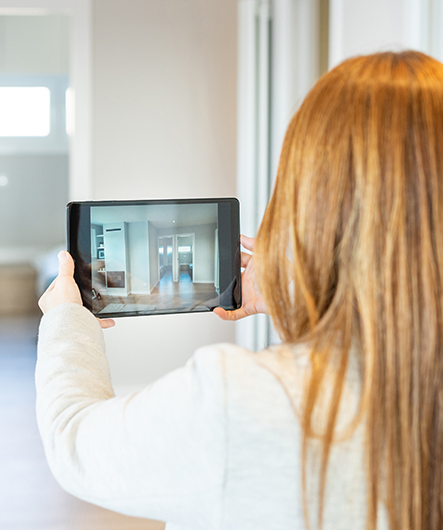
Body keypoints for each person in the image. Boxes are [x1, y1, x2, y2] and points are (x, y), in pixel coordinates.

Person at [35, 51, 443, 530]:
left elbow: (75, 443)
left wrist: (66, 319)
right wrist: (293, 295)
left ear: (309, 202)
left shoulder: (238, 400)